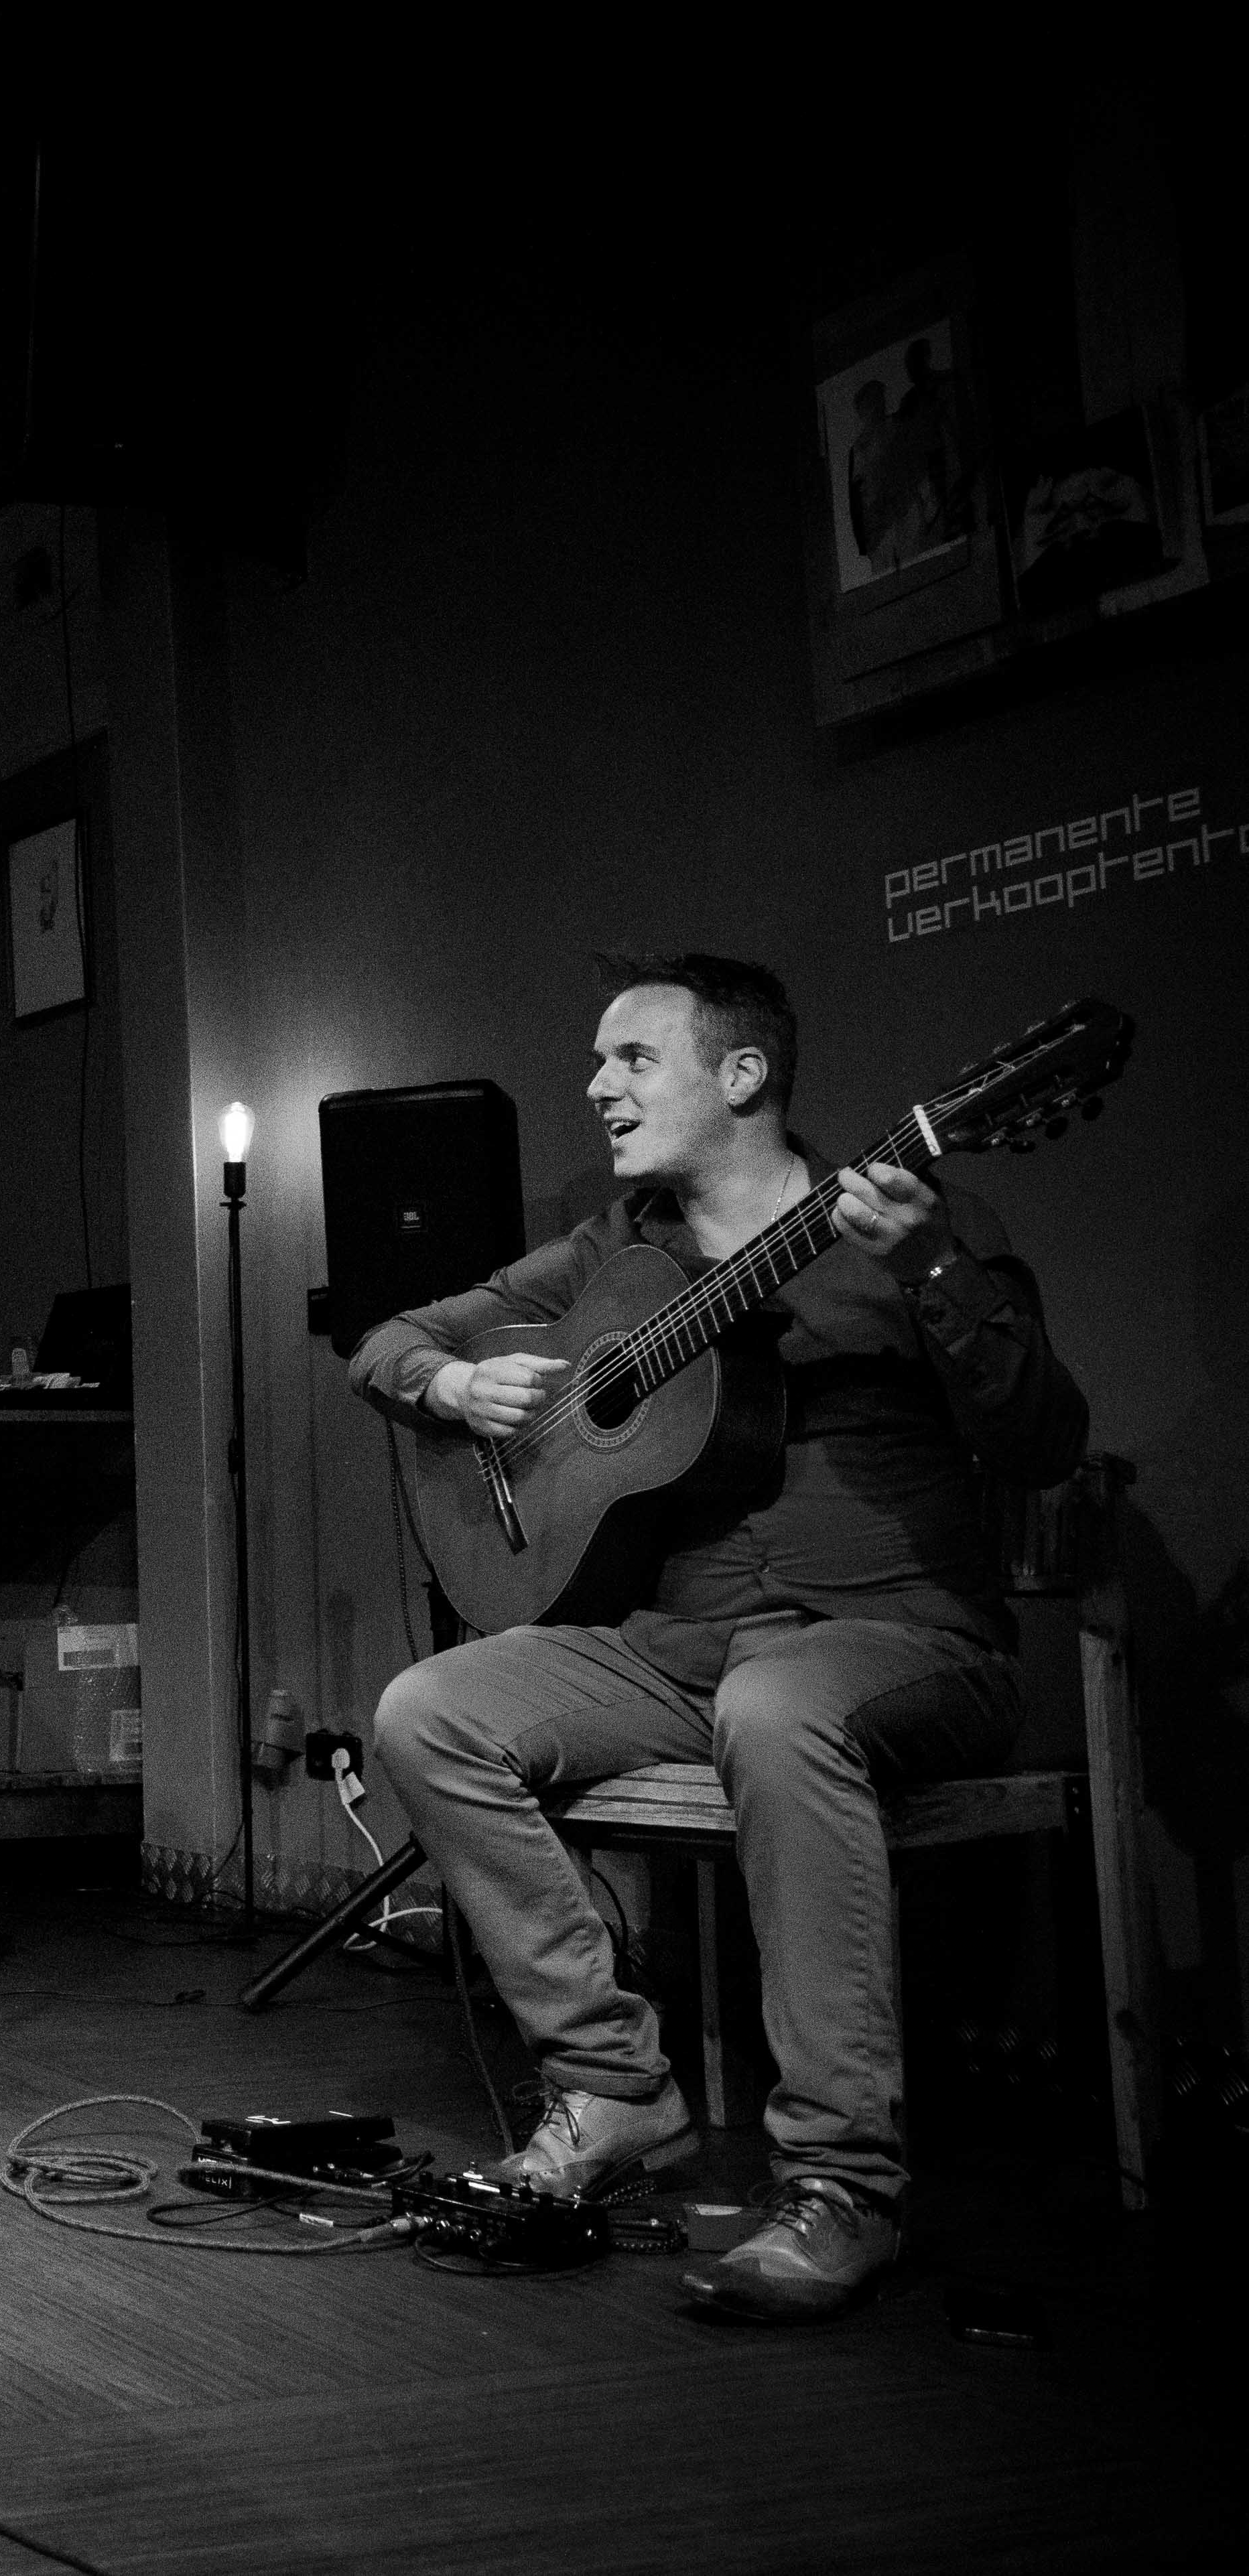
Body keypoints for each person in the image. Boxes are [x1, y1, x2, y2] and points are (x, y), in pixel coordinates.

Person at [355, 952, 1087, 2321]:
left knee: (778, 1705)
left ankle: (841, 2185)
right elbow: (387, 1338)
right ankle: (611, 2085)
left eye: (632, 1058)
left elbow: (1042, 1438)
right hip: (681, 1649)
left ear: (741, 1074)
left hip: (897, 1636)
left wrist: (928, 1265)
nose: (596, 1085)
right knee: (425, 1709)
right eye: (598, 1060)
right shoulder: (616, 1248)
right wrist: (451, 1381)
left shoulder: (916, 1218)